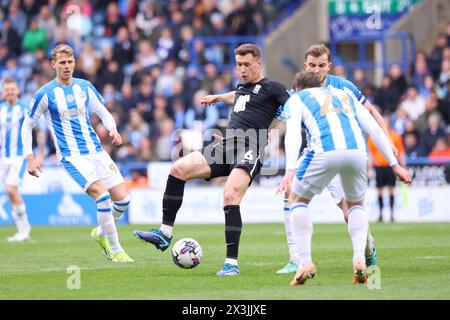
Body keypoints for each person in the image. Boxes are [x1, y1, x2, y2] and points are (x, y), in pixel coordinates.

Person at [134, 43, 291, 276]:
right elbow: (237, 95)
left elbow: (292, 108)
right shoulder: (241, 87)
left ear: (259, 62)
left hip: (251, 146)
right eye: (238, 65)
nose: (242, 69)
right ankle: (165, 233)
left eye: (247, 64)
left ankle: (231, 264)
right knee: (179, 168)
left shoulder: (273, 88)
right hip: (227, 144)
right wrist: (218, 97)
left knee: (230, 194)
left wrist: (272, 126)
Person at [277, 71, 411, 285]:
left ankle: (305, 262)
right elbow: (374, 128)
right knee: (356, 205)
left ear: (299, 88)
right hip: (357, 151)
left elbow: (293, 134)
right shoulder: (343, 94)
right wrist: (395, 165)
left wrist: (289, 169)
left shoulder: (297, 98)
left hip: (323, 151)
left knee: (297, 201)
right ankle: (359, 258)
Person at [21, 44, 133, 262]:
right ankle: (116, 249)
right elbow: (27, 125)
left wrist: (113, 129)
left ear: (75, 62)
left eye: (70, 62)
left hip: (96, 152)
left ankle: (101, 232)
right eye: (62, 63)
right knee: (103, 197)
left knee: (124, 202)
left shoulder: (84, 87)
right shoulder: (44, 94)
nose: (66, 66)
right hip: (72, 157)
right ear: (53, 65)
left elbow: (103, 111)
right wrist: (29, 157)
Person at [0, 77, 32, 242]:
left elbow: (38, 130)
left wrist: (38, 154)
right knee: (11, 193)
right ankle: (22, 229)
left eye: (12, 89)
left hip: (18, 157)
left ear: (18, 90)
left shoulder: (24, 108)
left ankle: (25, 228)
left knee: (12, 189)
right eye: (7, 89)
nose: (10, 91)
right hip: (3, 159)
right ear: (3, 91)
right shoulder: (1, 109)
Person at [368, 115, 406, 222]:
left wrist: (403, 166)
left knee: (391, 190)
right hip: (379, 166)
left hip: (391, 166)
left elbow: (401, 152)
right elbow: (371, 153)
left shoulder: (395, 136)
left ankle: (392, 214)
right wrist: (369, 168)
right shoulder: (373, 137)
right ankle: (380, 214)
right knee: (379, 190)